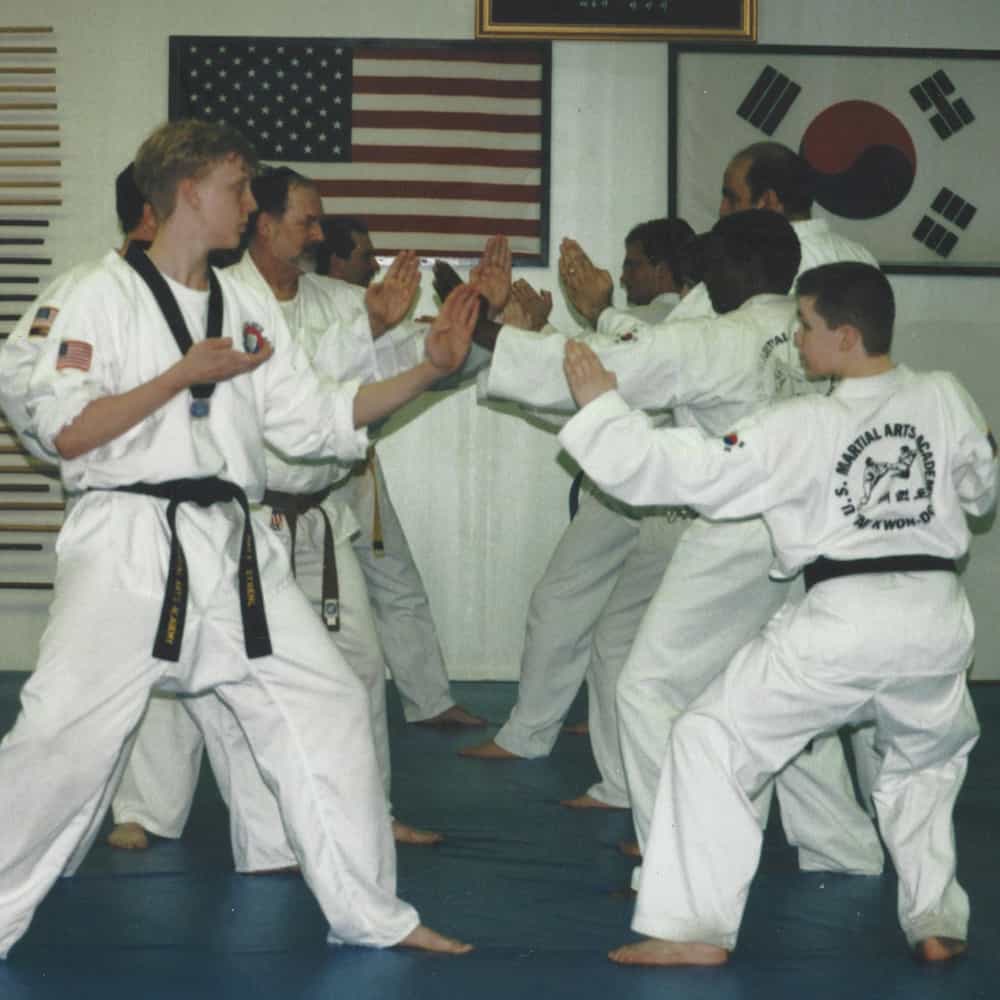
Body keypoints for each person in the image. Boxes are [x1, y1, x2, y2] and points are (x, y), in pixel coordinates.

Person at [0, 118, 478, 957]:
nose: (251, 203)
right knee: (60, 742)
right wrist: (181, 374)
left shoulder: (244, 301)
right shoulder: (91, 294)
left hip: (233, 544)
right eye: (239, 186)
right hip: (129, 543)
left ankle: (370, 915)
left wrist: (429, 368)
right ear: (189, 191)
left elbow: (320, 415)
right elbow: (67, 432)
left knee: (327, 702)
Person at [556, 262, 995, 966]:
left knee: (708, 740)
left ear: (847, 336)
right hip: (938, 620)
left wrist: (604, 412)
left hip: (845, 623)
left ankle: (692, 928)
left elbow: (694, 471)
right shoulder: (944, 394)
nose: (794, 339)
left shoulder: (803, 423)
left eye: (806, 326)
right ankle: (935, 914)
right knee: (923, 765)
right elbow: (979, 490)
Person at [480, 212, 884, 878]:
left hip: (739, 534)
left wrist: (491, 333)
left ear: (745, 267)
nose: (703, 277)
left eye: (714, 265)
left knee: (646, 688)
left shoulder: (722, 337)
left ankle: (682, 856)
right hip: (818, 533)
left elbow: (616, 370)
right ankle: (842, 850)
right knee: (788, 691)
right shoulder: (819, 334)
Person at [108, 167, 451, 857]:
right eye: (308, 220)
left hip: (320, 518)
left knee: (356, 667)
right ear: (264, 224)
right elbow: (271, 395)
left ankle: (367, 815)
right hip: (240, 518)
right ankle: (147, 809)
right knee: (180, 666)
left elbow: (396, 365)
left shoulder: (345, 298)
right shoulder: (221, 297)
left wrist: (469, 333)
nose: (320, 233)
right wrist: (369, 327)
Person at [459, 219, 699, 815]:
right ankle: (546, 736)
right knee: (584, 615)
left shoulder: (666, 324)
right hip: (634, 494)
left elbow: (585, 388)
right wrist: (535, 334)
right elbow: (586, 386)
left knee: (590, 620)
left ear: (666, 270)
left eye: (635, 262)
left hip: (651, 497)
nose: (622, 275)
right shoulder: (655, 326)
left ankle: (551, 745)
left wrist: (512, 335)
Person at [315, 215, 486, 729]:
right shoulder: (310, 312)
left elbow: (426, 366)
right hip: (301, 485)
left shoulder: (378, 322)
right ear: (337, 259)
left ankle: (430, 700)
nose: (374, 264)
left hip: (356, 471)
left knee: (396, 581)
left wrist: (481, 323)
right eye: (365, 254)